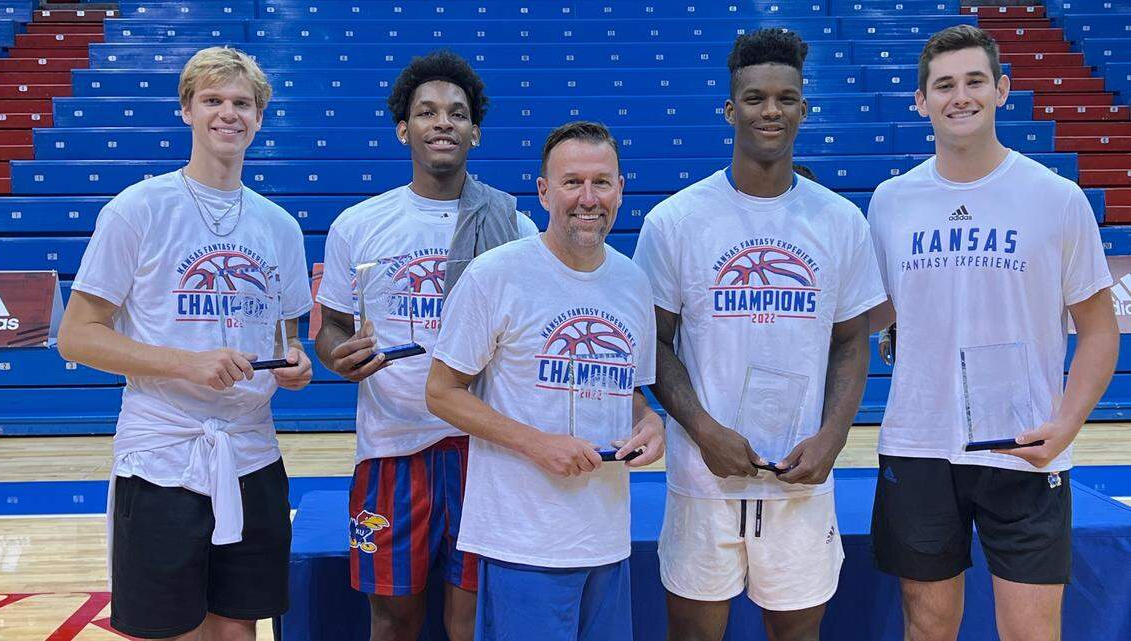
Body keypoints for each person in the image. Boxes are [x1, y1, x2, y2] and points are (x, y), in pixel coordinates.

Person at [631, 29, 886, 641]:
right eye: (754, 98)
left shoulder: (840, 221)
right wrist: (704, 429)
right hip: (704, 477)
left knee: (797, 633)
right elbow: (654, 344)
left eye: (785, 98)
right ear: (730, 109)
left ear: (804, 107)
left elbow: (851, 341)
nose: (770, 110)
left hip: (801, 474)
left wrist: (832, 437)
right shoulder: (675, 221)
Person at [866, 24, 1119, 641]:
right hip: (919, 443)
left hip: (1025, 441)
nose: (961, 96)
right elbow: (869, 319)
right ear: (921, 101)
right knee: (927, 626)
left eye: (975, 81)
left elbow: (1098, 329)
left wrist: (1066, 425)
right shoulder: (891, 201)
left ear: (1002, 89)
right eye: (944, 85)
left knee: (1032, 631)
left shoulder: (1055, 198)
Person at [57, 46, 313, 641]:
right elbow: (78, 334)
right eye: (213, 100)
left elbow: (286, 334)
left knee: (238, 628)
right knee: (173, 630)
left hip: (253, 455)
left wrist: (293, 364)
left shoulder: (280, 226)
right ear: (187, 112)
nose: (230, 113)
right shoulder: (140, 208)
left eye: (242, 103)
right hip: (163, 458)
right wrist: (186, 363)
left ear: (259, 116)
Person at [313, 51, 536, 641]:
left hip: (482, 446)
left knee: (471, 615)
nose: (443, 122)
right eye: (428, 112)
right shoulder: (359, 225)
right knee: (392, 618)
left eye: (457, 114)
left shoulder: (513, 225)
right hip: (392, 448)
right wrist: (337, 353)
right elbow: (328, 326)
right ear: (403, 128)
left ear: (475, 131)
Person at [425, 121, 665, 641]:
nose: (587, 198)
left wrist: (651, 425)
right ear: (542, 191)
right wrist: (537, 444)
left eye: (602, 182)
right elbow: (441, 392)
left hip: (605, 535)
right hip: (523, 539)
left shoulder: (632, 281)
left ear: (621, 189)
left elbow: (631, 395)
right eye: (571, 181)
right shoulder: (495, 274)